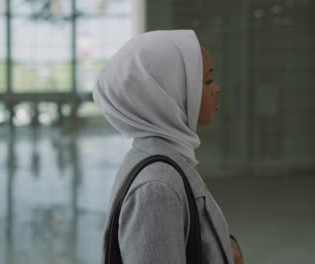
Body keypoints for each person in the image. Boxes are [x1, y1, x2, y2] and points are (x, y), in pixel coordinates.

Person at [93, 29, 244, 264]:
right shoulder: (157, 188)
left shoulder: (158, 156)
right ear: (167, 93)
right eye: (206, 80)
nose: (217, 89)